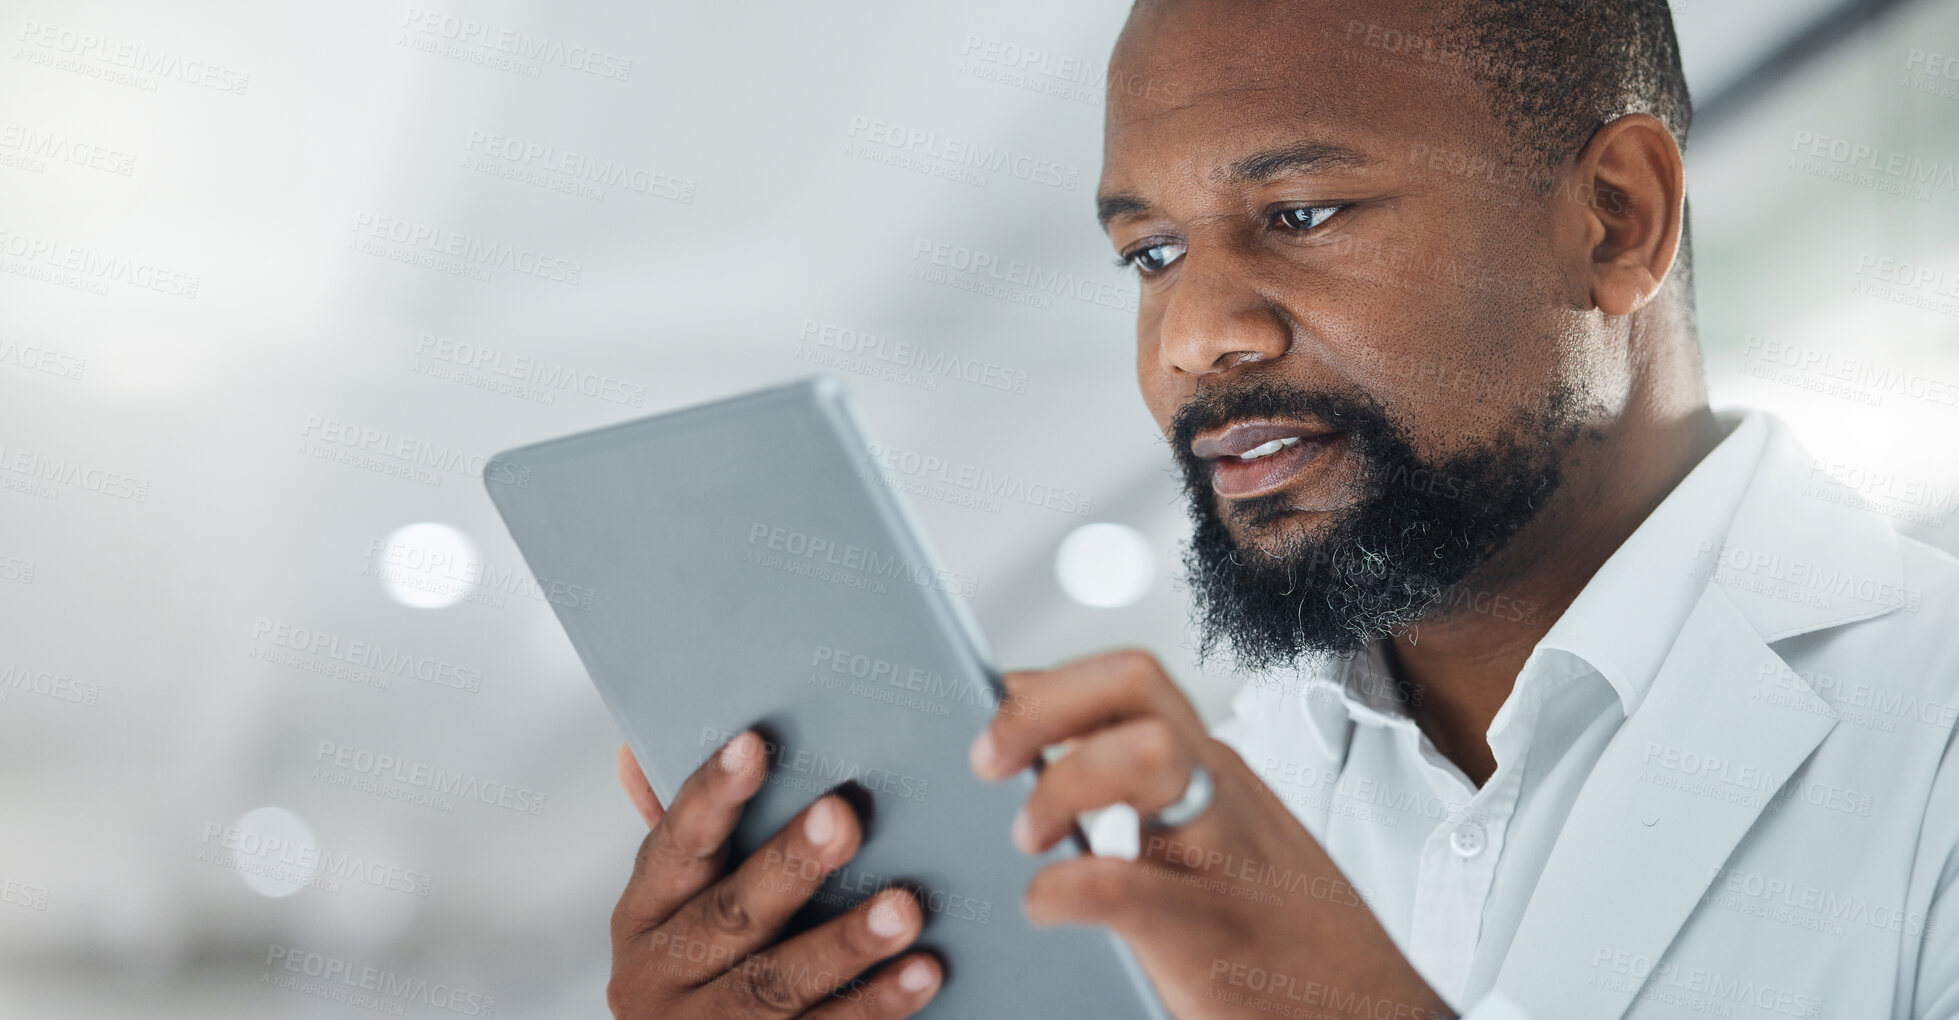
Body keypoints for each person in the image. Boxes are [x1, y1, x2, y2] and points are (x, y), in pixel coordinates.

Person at [605, 0, 1959, 1016]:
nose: (1195, 335)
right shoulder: (1151, 831)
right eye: (1150, 253)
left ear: (1614, 219)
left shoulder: (1932, 729)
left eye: (1304, 213)